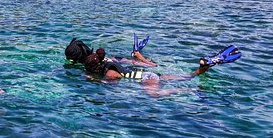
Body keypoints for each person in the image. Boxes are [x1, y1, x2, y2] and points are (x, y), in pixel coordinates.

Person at [83, 41, 241, 97]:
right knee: (187, 77)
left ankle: (190, 92)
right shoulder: (108, 63)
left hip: (146, 79)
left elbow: (115, 80)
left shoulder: (109, 72)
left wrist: (96, 80)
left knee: (154, 95)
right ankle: (202, 67)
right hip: (148, 74)